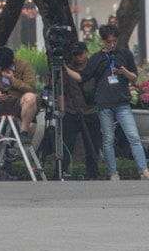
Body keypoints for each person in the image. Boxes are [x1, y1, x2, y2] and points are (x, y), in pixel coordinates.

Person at [80, 24, 149, 180]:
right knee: (108, 138)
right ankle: (113, 172)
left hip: (122, 102)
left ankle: (143, 169)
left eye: (114, 42)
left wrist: (123, 71)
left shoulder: (124, 54)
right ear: (104, 41)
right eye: (108, 42)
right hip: (104, 104)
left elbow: (134, 77)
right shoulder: (97, 58)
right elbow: (84, 76)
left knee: (133, 136)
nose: (112, 45)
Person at [60, 44, 102, 179]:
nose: (78, 57)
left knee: (92, 146)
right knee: (67, 145)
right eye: (75, 54)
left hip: (90, 112)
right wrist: (62, 111)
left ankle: (93, 174)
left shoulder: (93, 67)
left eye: (80, 54)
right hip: (72, 112)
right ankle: (60, 172)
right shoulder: (68, 70)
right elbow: (62, 91)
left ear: (86, 53)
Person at [0, 46, 39, 136]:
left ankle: (23, 132)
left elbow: (31, 88)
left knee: (30, 97)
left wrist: (13, 80)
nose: (3, 69)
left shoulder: (24, 65)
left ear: (12, 60)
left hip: (18, 101)